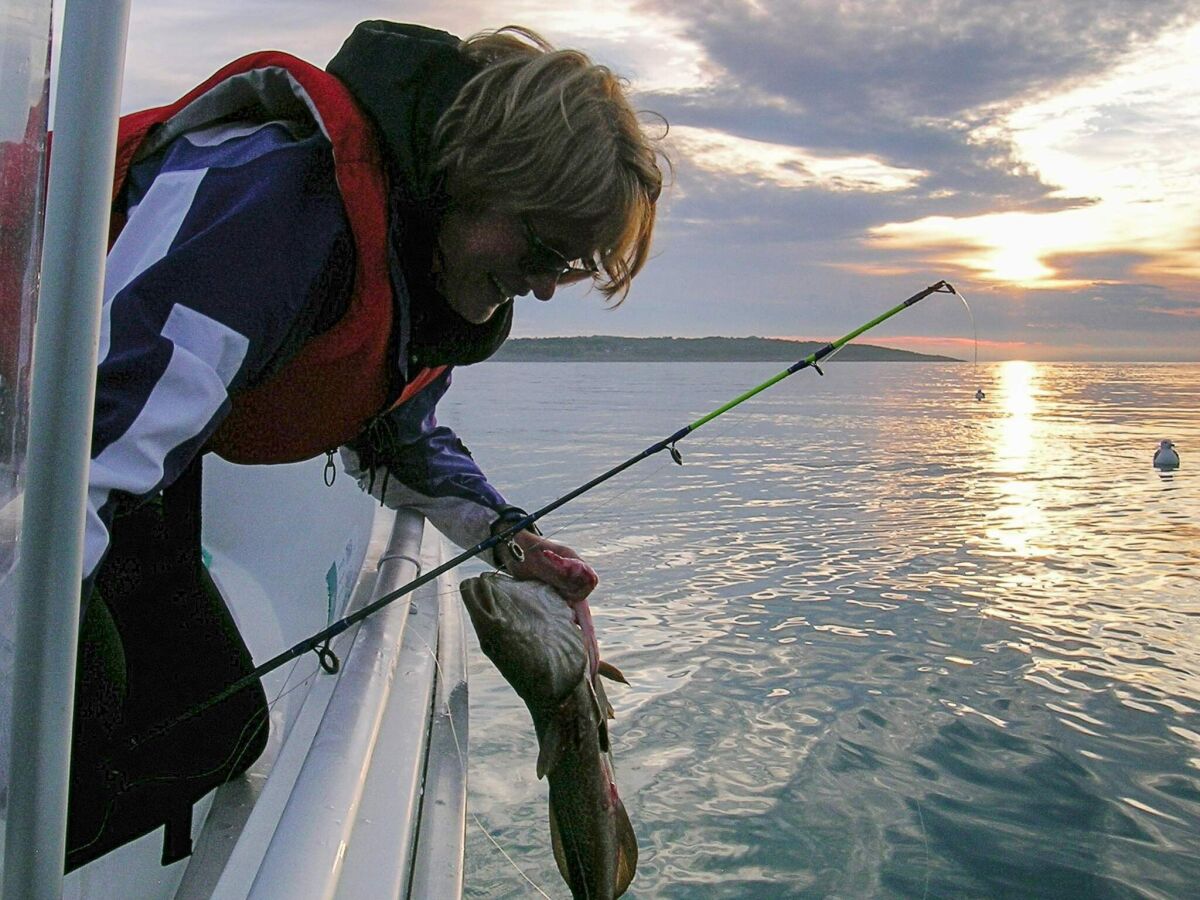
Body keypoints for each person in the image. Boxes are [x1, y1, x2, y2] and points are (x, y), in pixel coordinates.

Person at [68, 20, 665, 869]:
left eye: (565, 266)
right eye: (539, 245)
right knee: (63, 715)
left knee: (212, 727)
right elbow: (82, 457)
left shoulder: (412, 269)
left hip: (120, 482)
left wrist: (514, 543)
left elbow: (400, 439)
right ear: (477, 170)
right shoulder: (278, 203)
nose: (540, 285)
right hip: (40, 461)